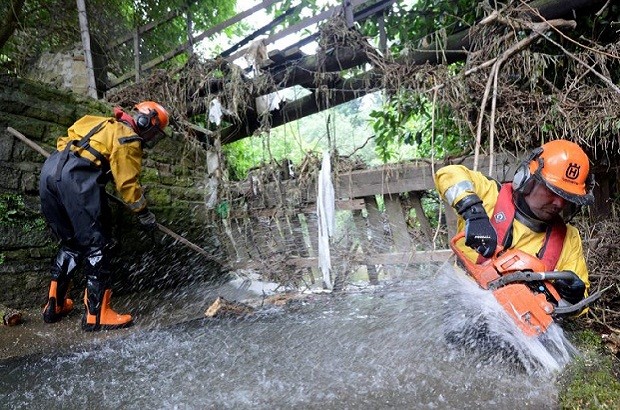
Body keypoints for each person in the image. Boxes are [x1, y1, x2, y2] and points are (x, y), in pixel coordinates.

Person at [39, 101, 169, 331]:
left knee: (71, 244)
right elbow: (127, 184)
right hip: (77, 180)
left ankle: (55, 305)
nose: (151, 138)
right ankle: (97, 315)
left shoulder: (98, 121)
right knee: (97, 246)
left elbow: (72, 143)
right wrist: (143, 212)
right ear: (145, 121)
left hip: (50, 172)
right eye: (153, 132)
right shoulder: (127, 137)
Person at [434, 139, 594, 308]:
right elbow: (448, 173)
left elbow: (579, 304)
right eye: (552, 191)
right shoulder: (489, 195)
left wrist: (574, 295)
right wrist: (473, 211)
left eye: (567, 198)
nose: (559, 204)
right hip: (461, 305)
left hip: (521, 324)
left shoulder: (568, 238)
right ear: (527, 179)